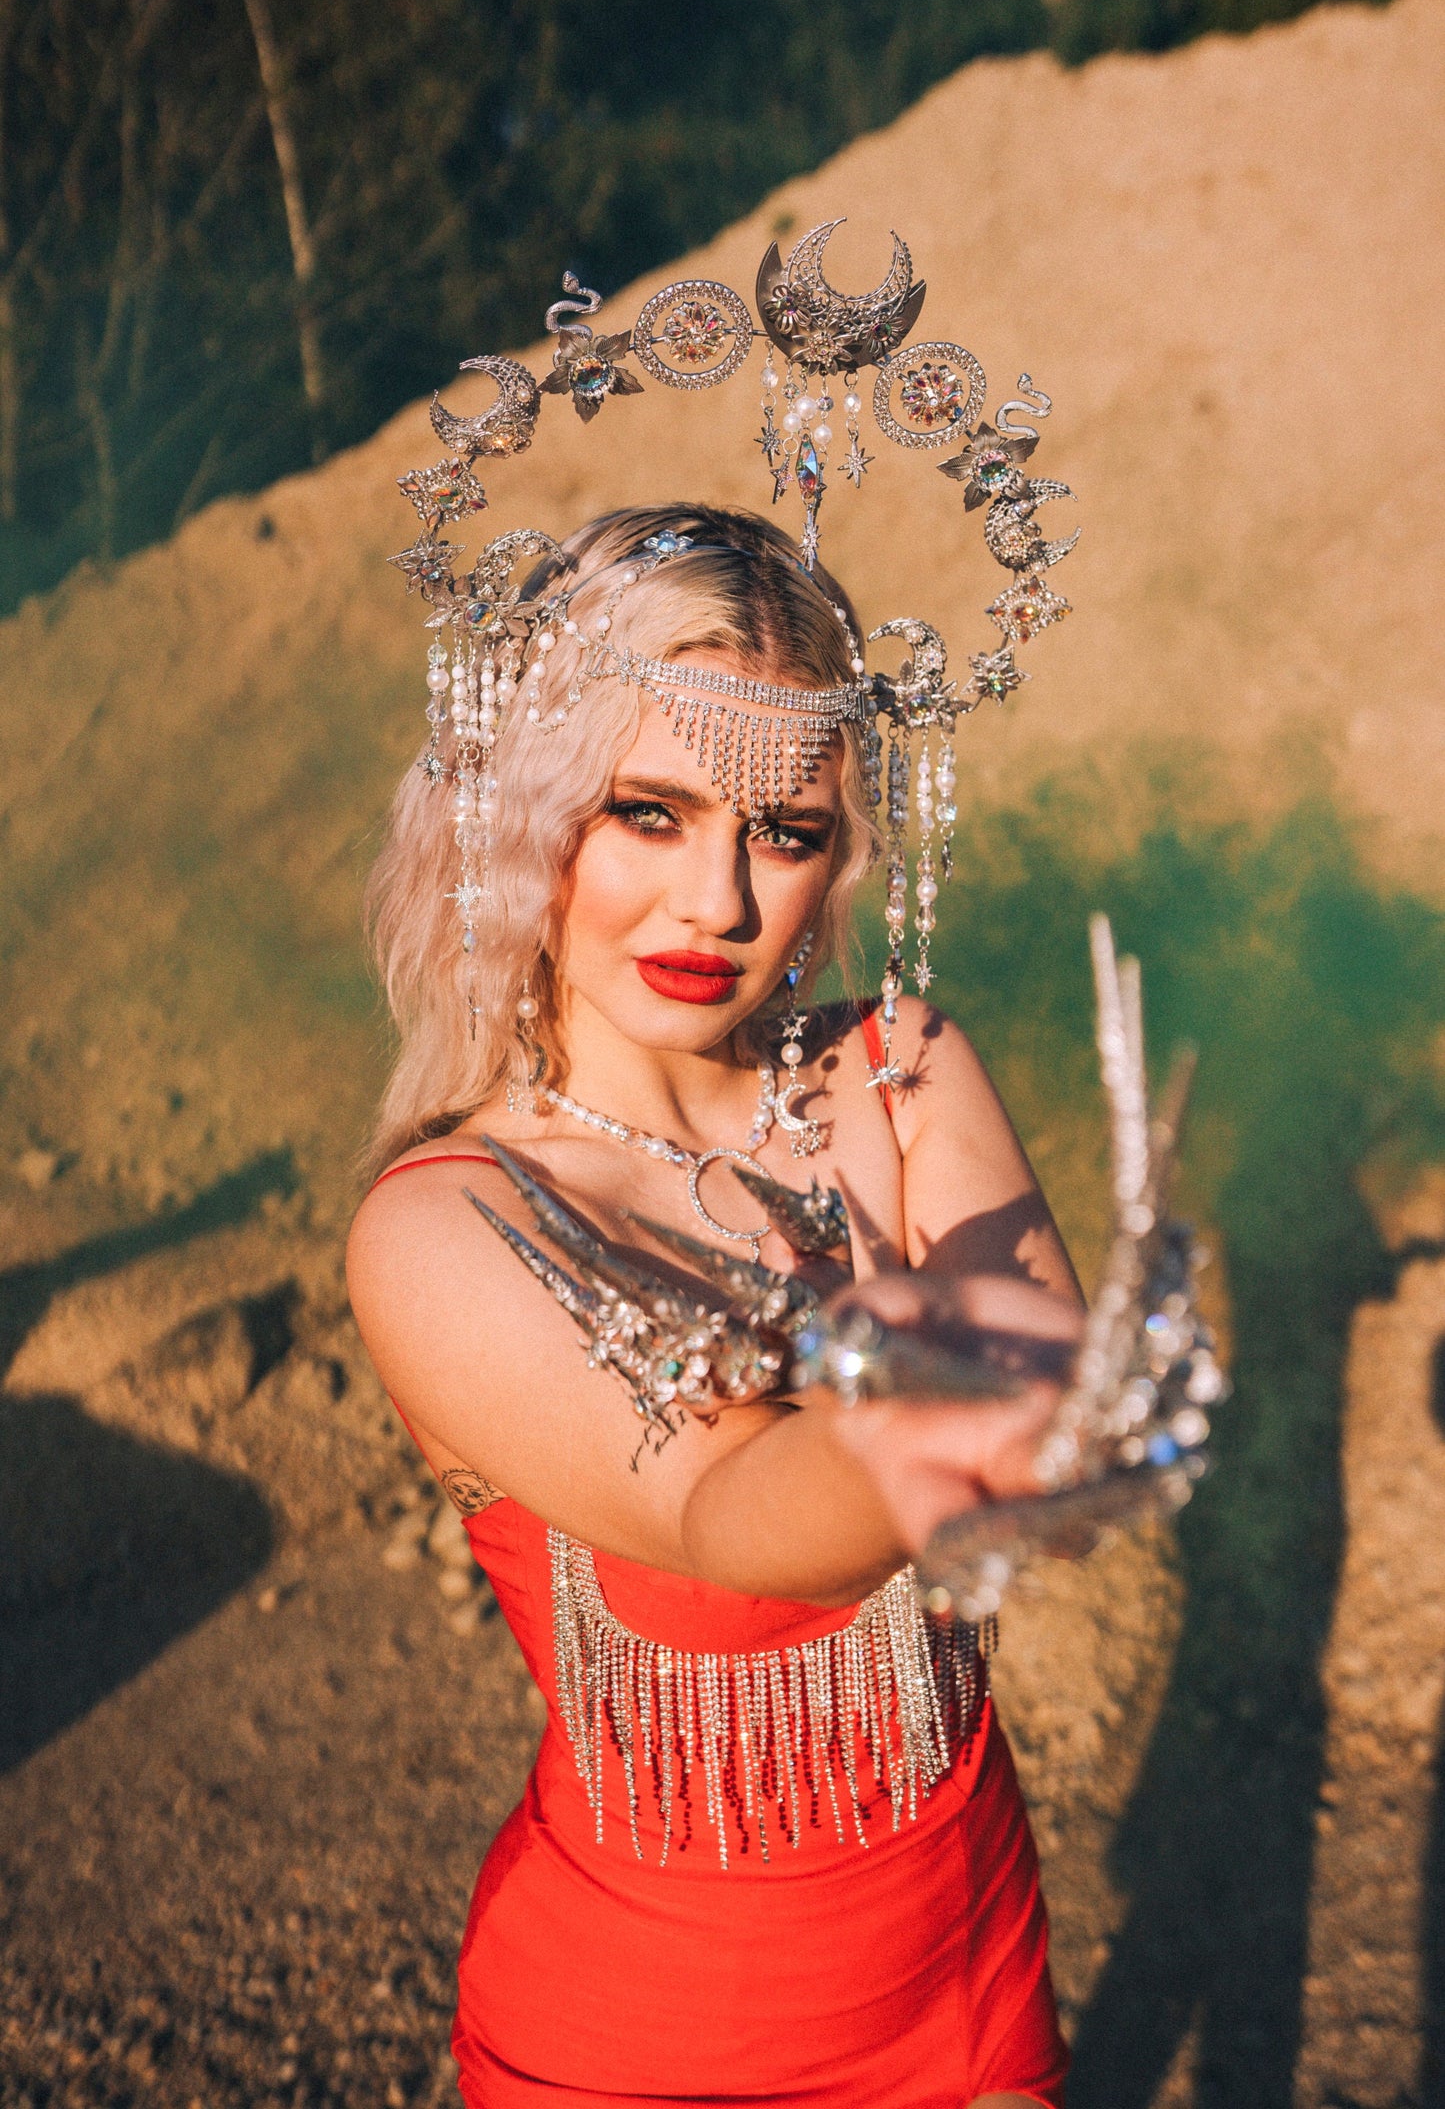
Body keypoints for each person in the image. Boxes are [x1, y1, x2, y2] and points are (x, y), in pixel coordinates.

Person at [348, 501, 1084, 2108]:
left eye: (786, 832)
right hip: (638, 2041)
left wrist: (1036, 1411)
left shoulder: (898, 1070)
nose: (721, 903)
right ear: (523, 808)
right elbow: (727, 1514)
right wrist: (951, 1413)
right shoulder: (449, 1224)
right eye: (648, 813)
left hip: (969, 1976)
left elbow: (1045, 1445)